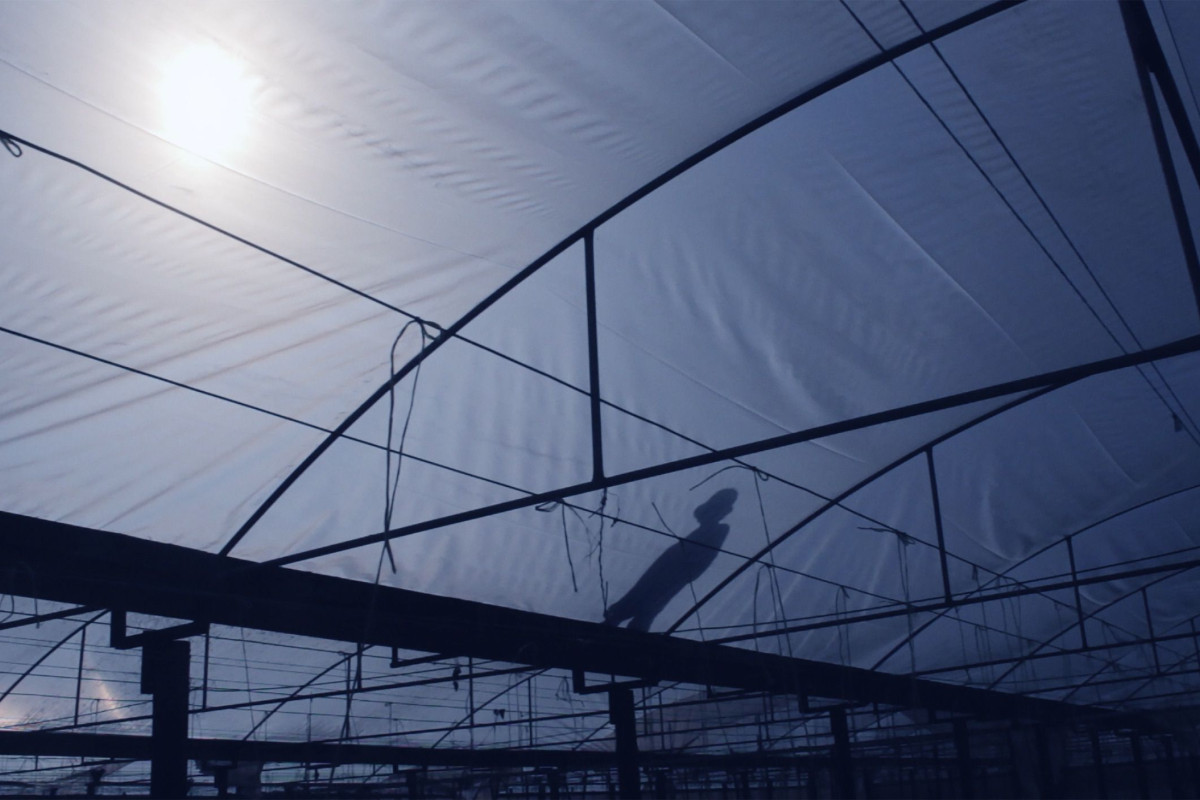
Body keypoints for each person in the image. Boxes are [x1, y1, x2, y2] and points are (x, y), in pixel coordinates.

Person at [604, 488, 737, 631]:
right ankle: (620, 621)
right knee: (645, 596)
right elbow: (701, 516)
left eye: (718, 509)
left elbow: (705, 557)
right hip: (671, 566)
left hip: (677, 570)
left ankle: (628, 624)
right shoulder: (711, 529)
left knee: (651, 601)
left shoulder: (719, 530)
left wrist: (689, 568)